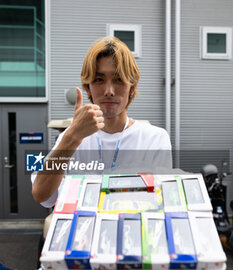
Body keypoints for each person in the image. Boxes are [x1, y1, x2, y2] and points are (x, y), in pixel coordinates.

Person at [32, 36, 172, 208]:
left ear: (132, 88)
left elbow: (159, 204)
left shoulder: (154, 139)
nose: (109, 91)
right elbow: (41, 195)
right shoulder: (69, 139)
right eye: (99, 80)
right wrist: (72, 137)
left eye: (119, 79)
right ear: (87, 88)